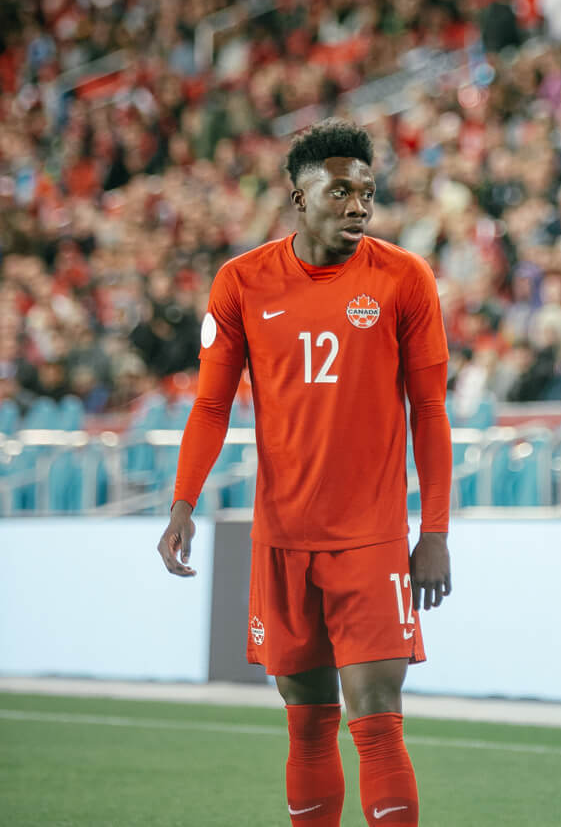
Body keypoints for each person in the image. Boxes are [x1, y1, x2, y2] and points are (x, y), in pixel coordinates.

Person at [157, 120, 452, 827]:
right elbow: (209, 404)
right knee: (307, 721)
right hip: (282, 539)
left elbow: (431, 414)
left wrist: (434, 532)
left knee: (377, 717)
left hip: (372, 541)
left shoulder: (404, 279)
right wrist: (181, 503)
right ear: (299, 195)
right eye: (342, 190)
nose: (359, 206)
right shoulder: (241, 282)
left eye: (368, 193)